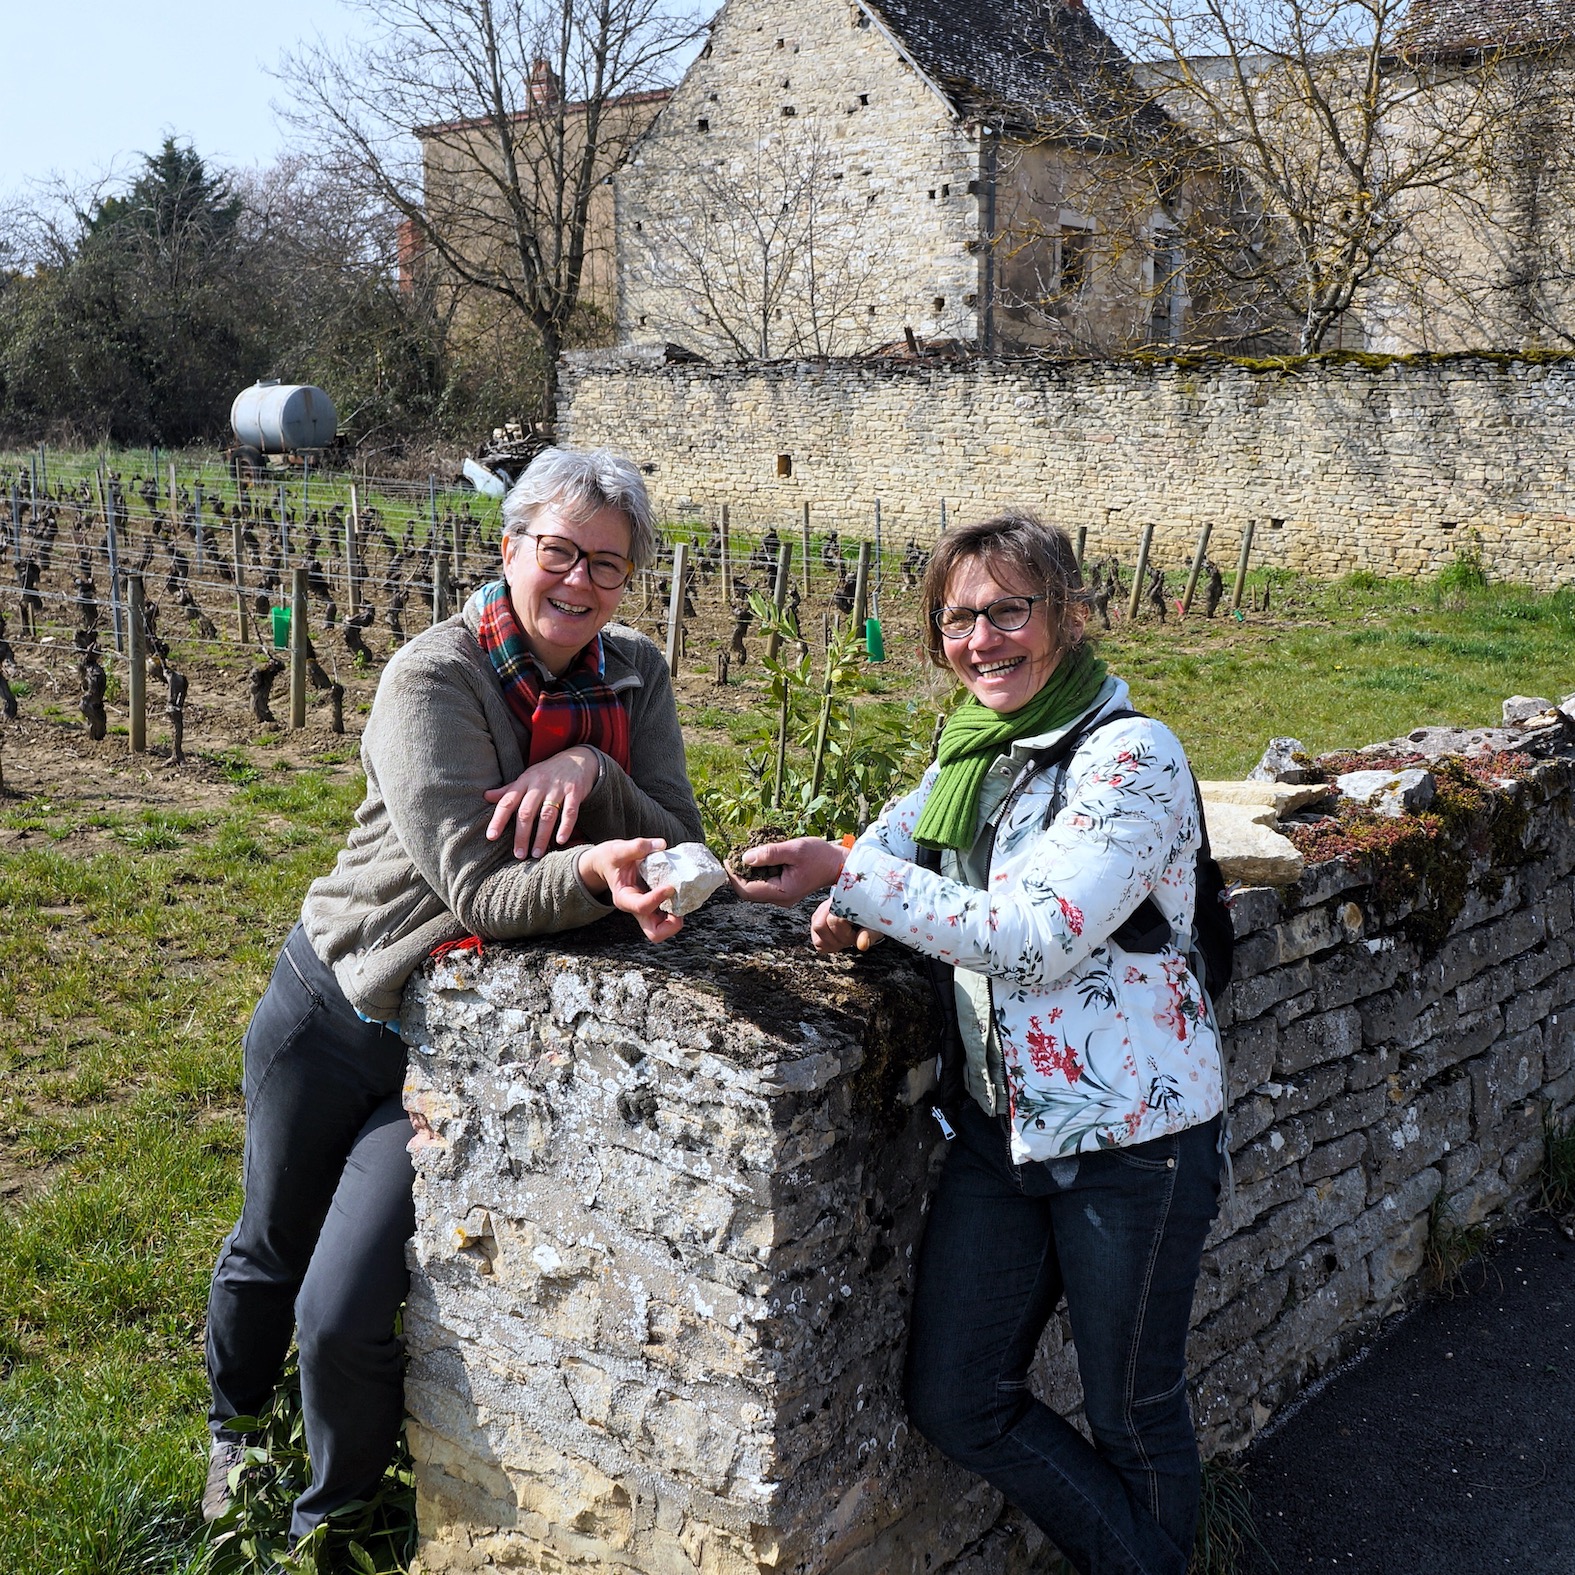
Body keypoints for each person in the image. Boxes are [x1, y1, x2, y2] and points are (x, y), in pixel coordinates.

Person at [203, 447, 702, 1542]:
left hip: (455, 1048)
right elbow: (482, 888)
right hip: (344, 1010)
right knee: (270, 1244)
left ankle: (329, 1520)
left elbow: (686, 844)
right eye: (560, 553)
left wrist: (590, 774)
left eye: (608, 567)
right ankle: (233, 1434)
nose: (579, 584)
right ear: (511, 546)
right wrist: (595, 861)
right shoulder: (434, 677)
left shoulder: (636, 677)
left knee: (340, 1313)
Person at [733, 512, 1224, 1575]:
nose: (982, 640)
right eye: (959, 619)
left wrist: (851, 877)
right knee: (957, 1398)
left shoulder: (1131, 756)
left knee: (1132, 1413)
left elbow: (1038, 938)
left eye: (1009, 611)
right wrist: (849, 896)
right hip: (999, 1137)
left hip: (1133, 1144)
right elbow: (897, 844)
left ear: (1071, 616)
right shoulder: (973, 754)